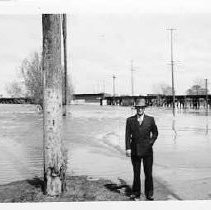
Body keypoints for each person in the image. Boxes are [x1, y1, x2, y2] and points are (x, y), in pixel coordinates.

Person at [125, 98, 158, 201]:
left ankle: (149, 193)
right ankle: (136, 192)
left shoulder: (150, 119)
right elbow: (127, 135)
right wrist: (128, 148)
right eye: (138, 108)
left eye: (142, 108)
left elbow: (155, 133)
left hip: (148, 151)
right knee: (136, 173)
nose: (140, 110)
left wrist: (151, 142)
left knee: (148, 173)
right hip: (134, 150)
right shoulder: (130, 120)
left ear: (144, 109)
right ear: (136, 108)